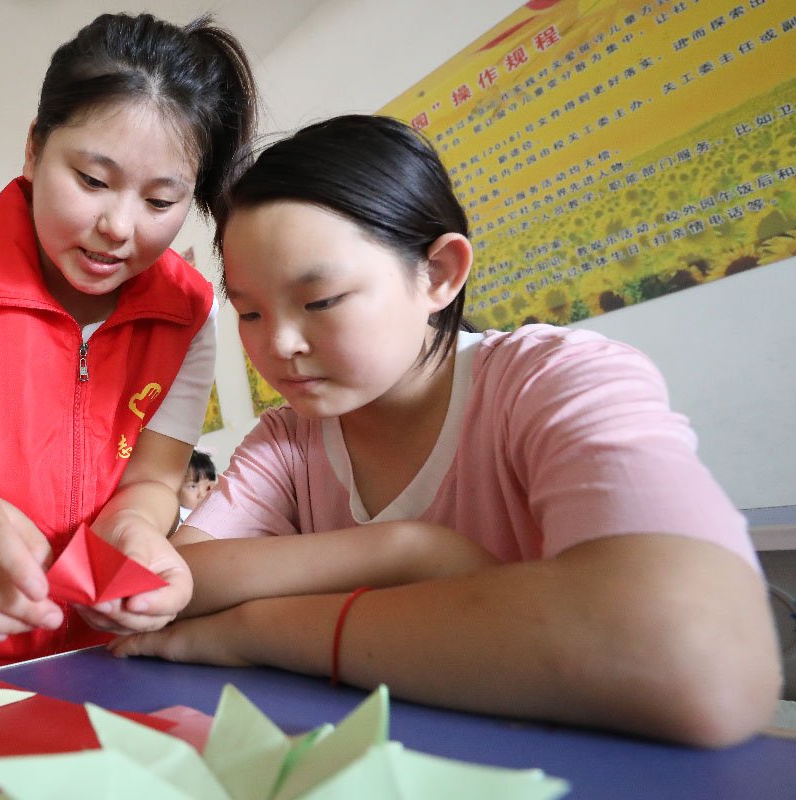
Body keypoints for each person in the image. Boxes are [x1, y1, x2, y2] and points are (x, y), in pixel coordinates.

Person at [110, 115, 782, 748]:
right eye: (250, 312)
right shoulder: (290, 436)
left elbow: (697, 654)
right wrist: (408, 552)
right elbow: (172, 579)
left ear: (438, 274)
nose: (279, 344)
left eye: (320, 302)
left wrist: (258, 629)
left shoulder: (551, 379)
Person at [0, 12, 257, 672]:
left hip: (115, 650)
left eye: (159, 201)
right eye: (92, 181)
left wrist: (137, 530)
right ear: (34, 148)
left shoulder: (187, 313)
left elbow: (152, 479)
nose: (117, 226)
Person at [177, 450, 216, 526]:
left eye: (207, 487)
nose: (202, 494)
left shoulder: (211, 511)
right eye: (193, 486)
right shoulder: (174, 516)